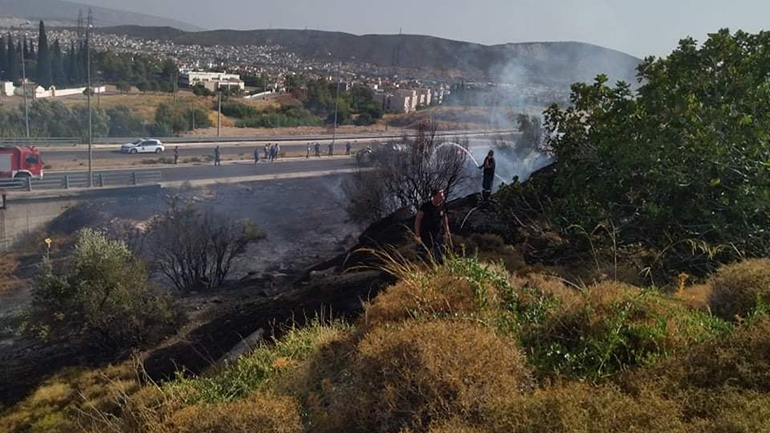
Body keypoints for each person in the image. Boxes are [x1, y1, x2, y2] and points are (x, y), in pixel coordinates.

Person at [414, 189, 451, 263]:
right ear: (434, 196)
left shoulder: (443, 206)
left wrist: (447, 231)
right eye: (440, 197)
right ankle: (419, 265)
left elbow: (445, 218)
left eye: (443, 196)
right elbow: (418, 219)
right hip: (426, 233)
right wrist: (417, 234)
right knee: (423, 251)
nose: (442, 198)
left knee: (438, 250)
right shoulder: (426, 206)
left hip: (437, 232)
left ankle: (439, 265)